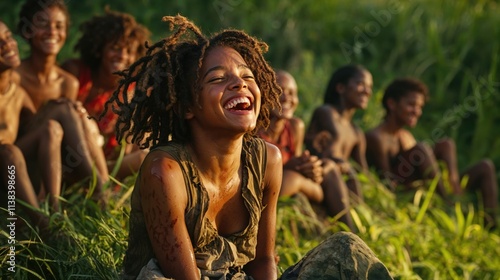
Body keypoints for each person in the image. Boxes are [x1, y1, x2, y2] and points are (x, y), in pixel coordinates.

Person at [109, 15, 392, 279]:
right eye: (218, 79)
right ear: (187, 106)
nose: (239, 85)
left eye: (247, 76)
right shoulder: (166, 170)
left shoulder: (268, 159)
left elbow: (263, 261)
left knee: (347, 248)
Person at [365, 77, 498, 229]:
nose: (417, 111)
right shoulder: (376, 137)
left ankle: (490, 225)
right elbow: (387, 183)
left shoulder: (406, 136)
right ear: (392, 104)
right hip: (404, 192)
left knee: (480, 164)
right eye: (411, 104)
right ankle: (448, 207)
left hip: (428, 187)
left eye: (420, 107)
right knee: (421, 148)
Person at [15, 0, 108, 199]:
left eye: (59, 26)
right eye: (43, 24)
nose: (52, 32)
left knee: (73, 117)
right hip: (17, 164)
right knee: (65, 109)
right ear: (27, 30)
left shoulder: (68, 83)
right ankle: (100, 188)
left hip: (51, 166)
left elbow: (67, 140)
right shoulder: (15, 76)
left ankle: (99, 186)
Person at [258, 70, 355, 230]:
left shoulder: (296, 126)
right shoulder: (253, 131)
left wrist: (310, 168)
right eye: (278, 91)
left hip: (294, 183)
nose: (286, 98)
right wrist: (294, 167)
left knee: (328, 166)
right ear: (262, 94)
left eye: (292, 93)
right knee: (294, 179)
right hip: (270, 190)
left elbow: (298, 163)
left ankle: (352, 233)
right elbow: (262, 177)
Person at [61, 8, 151, 181]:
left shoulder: (132, 90)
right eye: (115, 48)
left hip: (107, 167)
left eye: (129, 51)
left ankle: (102, 183)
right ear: (100, 49)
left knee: (145, 156)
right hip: (68, 162)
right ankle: (98, 185)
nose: (122, 56)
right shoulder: (76, 73)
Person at [0, 20, 61, 234]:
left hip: (12, 171)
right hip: (4, 166)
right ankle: (43, 226)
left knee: (51, 128)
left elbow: (37, 127)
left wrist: (65, 108)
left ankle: (55, 209)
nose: (7, 44)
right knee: (9, 150)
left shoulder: (17, 93)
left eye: (8, 37)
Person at [305, 64, 373, 203]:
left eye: (370, 86)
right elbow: (323, 152)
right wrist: (340, 164)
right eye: (360, 84)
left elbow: (363, 172)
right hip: (320, 176)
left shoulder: (357, 132)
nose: (367, 91)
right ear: (341, 88)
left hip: (343, 184)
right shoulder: (326, 112)